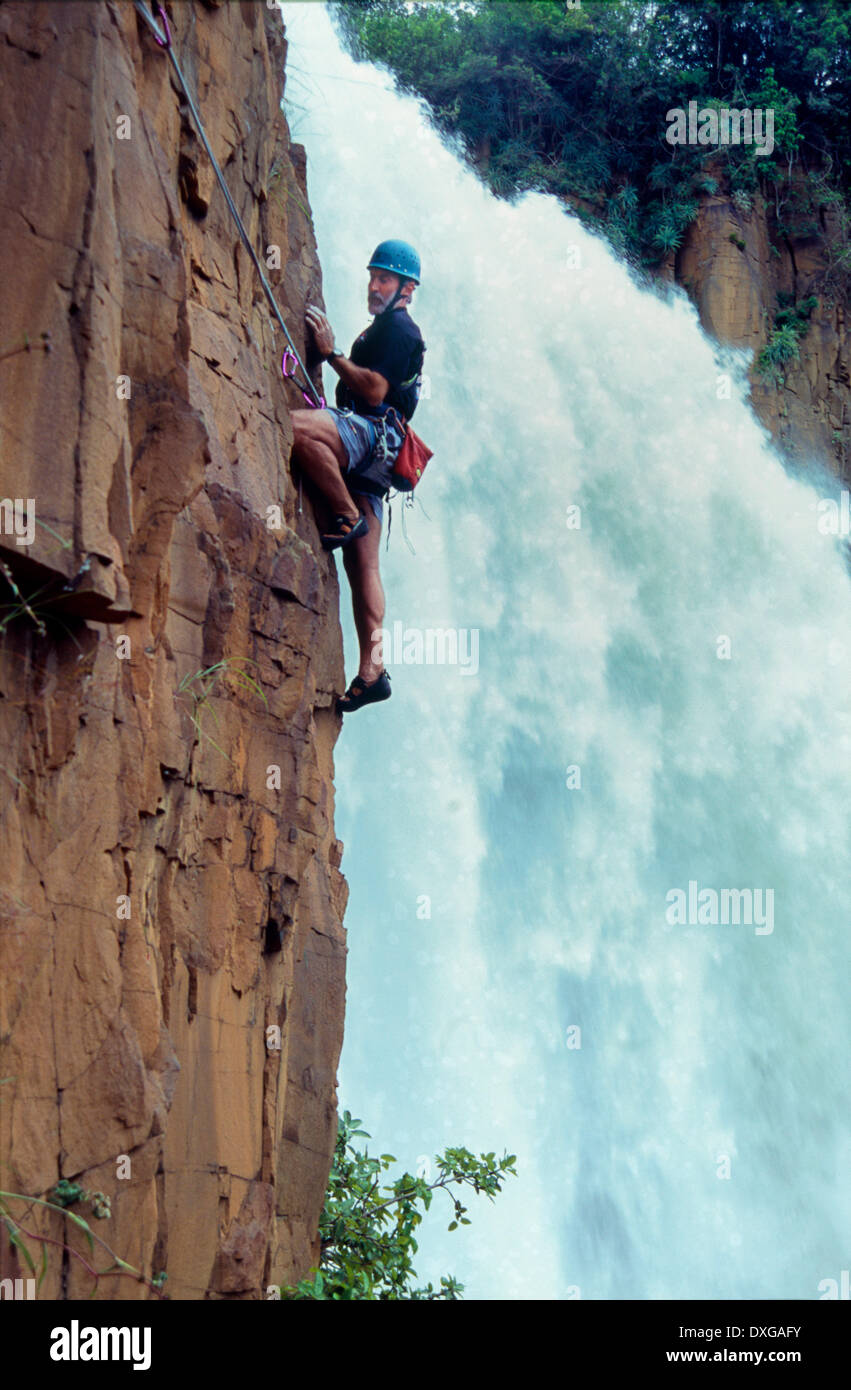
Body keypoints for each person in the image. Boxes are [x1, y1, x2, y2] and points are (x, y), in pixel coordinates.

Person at [290, 239, 426, 714]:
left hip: (372, 434)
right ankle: (373, 672)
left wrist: (330, 355)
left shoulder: (400, 330)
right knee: (363, 566)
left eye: (384, 278)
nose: (374, 285)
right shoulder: (384, 330)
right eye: (372, 276)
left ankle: (347, 514)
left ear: (407, 289)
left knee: (292, 428)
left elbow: (373, 391)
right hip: (381, 453)